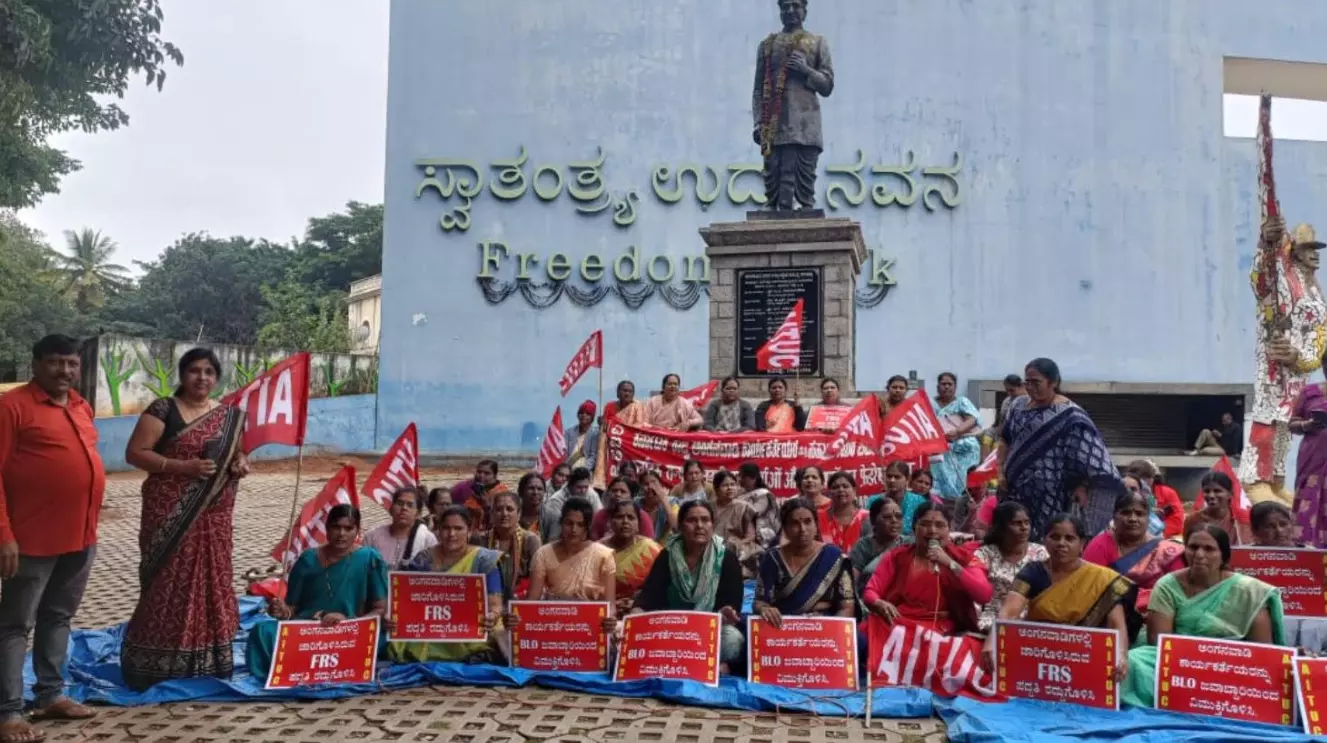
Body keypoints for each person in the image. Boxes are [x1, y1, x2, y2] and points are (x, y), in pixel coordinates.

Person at [117, 348, 250, 692]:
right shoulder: (163, 409)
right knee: (165, 583)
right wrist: (182, 467)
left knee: (212, 581)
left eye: (208, 372)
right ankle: (152, 664)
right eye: (194, 371)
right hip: (169, 515)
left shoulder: (229, 416)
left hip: (214, 519)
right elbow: (135, 453)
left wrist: (241, 463)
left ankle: (208, 660)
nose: (201, 378)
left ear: (216, 377)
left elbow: (238, 455)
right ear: (182, 375)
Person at [0, 335, 105, 736]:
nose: (64, 371)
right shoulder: (12, 408)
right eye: (55, 363)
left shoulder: (81, 406)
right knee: (13, 625)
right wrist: (4, 535)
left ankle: (50, 696)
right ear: (36, 364)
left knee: (58, 616)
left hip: (81, 537)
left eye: (71, 363)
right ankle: (8, 711)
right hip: (28, 541)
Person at [1121, 523, 1286, 708]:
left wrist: (1214, 662)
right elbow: (1158, 642)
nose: (1199, 555)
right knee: (1135, 660)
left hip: (1229, 664)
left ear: (1223, 555)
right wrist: (1194, 661)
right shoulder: (1167, 585)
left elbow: (1263, 652)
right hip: (1177, 660)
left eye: (1209, 549)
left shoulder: (1248, 592)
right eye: (1193, 547)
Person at [246, 505, 389, 679]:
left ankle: (300, 665)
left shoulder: (369, 558)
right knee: (262, 631)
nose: (341, 534)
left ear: (358, 531)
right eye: (336, 527)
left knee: (386, 638)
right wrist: (282, 611)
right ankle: (287, 672)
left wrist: (349, 622)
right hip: (309, 631)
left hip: (349, 633)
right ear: (327, 529)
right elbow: (292, 609)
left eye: (348, 528)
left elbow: (380, 609)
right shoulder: (308, 559)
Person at [1241, 215, 1326, 508]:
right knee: (1268, 417)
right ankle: (1255, 478)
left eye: (1317, 249)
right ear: (1294, 251)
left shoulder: (1314, 288)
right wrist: (1266, 243)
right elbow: (1261, 280)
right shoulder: (1284, 279)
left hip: (1298, 368)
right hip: (1275, 363)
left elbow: (1320, 330)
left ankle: (1276, 479)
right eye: (1307, 248)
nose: (1314, 254)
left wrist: (1305, 358)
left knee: (1285, 423)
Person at [982, 515, 1132, 679]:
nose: (1061, 543)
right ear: (1045, 541)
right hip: (1040, 653)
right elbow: (1009, 612)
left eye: (1069, 538)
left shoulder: (1102, 579)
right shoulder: (1033, 571)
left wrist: (1121, 655)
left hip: (1085, 655)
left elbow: (1116, 624)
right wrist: (992, 640)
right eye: (1054, 537)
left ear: (1082, 544)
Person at [999, 357, 1119, 538]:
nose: (1030, 387)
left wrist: (1083, 484)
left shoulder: (1070, 415)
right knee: (1013, 537)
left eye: (1036, 382)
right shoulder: (1017, 406)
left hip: (1052, 494)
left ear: (1053, 382)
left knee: (1049, 538)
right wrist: (1000, 471)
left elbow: (1089, 455)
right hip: (1014, 489)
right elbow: (1005, 439)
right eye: (1027, 382)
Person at [630, 501, 745, 671]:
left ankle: (701, 665)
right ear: (682, 526)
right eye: (692, 520)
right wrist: (636, 613)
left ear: (713, 525)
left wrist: (724, 613)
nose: (699, 526)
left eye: (705, 520)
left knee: (732, 639)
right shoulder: (668, 555)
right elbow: (650, 595)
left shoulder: (726, 558)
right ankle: (696, 664)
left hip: (708, 631)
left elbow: (732, 603)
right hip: (671, 630)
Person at [392, 506, 506, 663]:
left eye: (458, 528)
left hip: (471, 625)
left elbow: (496, 604)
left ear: (469, 531)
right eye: (446, 528)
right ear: (438, 530)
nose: (451, 534)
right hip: (433, 624)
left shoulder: (484, 559)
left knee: (496, 631)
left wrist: (492, 616)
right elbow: (408, 599)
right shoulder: (424, 559)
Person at [751, 0, 834, 210]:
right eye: (785, 6)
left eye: (795, 6)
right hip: (774, 126)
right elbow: (759, 90)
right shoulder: (767, 46)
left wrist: (805, 70)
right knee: (774, 193)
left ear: (804, 11)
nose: (790, 11)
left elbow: (827, 86)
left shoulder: (817, 42)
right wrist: (758, 122)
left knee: (805, 195)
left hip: (805, 126)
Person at [862, 503, 993, 635]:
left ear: (949, 529)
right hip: (898, 625)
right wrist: (878, 603)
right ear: (914, 528)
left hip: (942, 629)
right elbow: (870, 591)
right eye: (925, 524)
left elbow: (984, 595)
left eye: (940, 525)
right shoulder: (896, 556)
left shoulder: (964, 558)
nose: (932, 531)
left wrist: (950, 564)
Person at [1083, 489, 1186, 624]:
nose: (1132, 519)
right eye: (1125, 513)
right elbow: (1088, 588)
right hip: (1109, 619)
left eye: (1139, 514)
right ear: (1114, 517)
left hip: (1157, 619)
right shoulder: (1101, 545)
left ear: (1148, 519)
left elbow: (1178, 594)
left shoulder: (1166, 551)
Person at [754, 498, 855, 627]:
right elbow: (760, 602)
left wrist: (829, 628)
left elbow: (846, 607)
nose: (802, 529)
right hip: (781, 626)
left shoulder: (834, 557)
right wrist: (765, 609)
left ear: (816, 524)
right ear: (785, 527)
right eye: (795, 523)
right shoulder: (772, 558)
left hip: (825, 626)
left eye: (808, 522)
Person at [971, 502, 1049, 633]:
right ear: (1001, 528)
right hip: (991, 619)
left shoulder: (1040, 553)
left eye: (1026, 522)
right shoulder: (985, 554)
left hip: (1031, 620)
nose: (1024, 528)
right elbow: (976, 593)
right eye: (1016, 523)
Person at [528, 499, 618, 604]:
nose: (574, 529)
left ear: (587, 528)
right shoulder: (543, 554)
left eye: (580, 525)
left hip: (591, 616)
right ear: (561, 523)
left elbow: (610, 606)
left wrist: (610, 619)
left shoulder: (604, 555)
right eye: (569, 523)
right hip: (554, 615)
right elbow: (532, 601)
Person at [474, 489, 541, 600]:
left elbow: (537, 580)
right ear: (492, 514)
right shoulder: (481, 540)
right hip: (487, 599)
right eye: (499, 509)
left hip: (521, 600)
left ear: (519, 514)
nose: (504, 514)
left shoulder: (531, 541)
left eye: (509, 509)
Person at [600, 498, 661, 616]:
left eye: (631, 517)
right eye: (619, 517)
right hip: (605, 613)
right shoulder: (598, 551)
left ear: (638, 524)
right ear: (611, 522)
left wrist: (636, 602)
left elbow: (660, 588)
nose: (625, 521)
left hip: (641, 611)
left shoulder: (651, 550)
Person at [1289, 373, 1327, 547]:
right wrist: (1308, 425)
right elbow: (1292, 424)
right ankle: (1306, 552)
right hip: (1313, 457)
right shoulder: (1309, 392)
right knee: (1308, 499)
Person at [363, 486, 438, 570]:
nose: (404, 508)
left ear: (418, 514)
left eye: (410, 505)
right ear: (391, 509)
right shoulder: (372, 537)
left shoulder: (427, 540)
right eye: (399, 503)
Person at [932, 372, 981, 501]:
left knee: (965, 482)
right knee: (940, 483)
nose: (947, 387)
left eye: (950, 384)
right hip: (940, 449)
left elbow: (972, 419)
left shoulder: (962, 402)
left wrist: (957, 432)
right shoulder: (930, 404)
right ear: (937, 386)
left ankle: (966, 503)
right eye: (943, 384)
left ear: (955, 387)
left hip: (964, 450)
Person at [849, 497, 908, 594]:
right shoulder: (863, 546)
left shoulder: (909, 544)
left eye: (898, 516)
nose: (894, 521)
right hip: (868, 599)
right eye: (887, 517)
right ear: (873, 521)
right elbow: (852, 581)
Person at [1185, 471, 1252, 545]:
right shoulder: (1193, 520)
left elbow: (1249, 549)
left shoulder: (1243, 518)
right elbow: (1189, 549)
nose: (1211, 496)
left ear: (1230, 494)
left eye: (1217, 491)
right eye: (1207, 491)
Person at [711, 470, 759, 573]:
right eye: (725, 485)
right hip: (711, 549)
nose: (730, 488)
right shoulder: (708, 507)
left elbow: (750, 535)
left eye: (732, 484)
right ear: (716, 489)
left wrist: (737, 545)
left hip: (735, 550)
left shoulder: (743, 507)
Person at [1125, 460, 1184, 538]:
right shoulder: (1124, 493)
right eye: (1139, 478)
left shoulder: (1167, 493)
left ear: (1153, 478)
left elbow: (1177, 520)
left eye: (1146, 477)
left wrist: (1157, 532)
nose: (1142, 481)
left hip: (1162, 536)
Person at [541, 467, 603, 542]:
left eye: (586, 487)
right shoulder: (556, 501)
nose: (583, 491)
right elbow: (555, 533)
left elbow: (599, 518)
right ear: (570, 485)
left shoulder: (591, 493)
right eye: (579, 487)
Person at [867, 462, 927, 537]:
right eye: (889, 476)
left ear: (907, 479)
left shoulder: (918, 501)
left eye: (897, 477)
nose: (892, 480)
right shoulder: (873, 501)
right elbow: (868, 529)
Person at [450, 460, 507, 533]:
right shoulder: (467, 486)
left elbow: (499, 520)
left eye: (487, 473)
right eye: (479, 472)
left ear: (495, 475)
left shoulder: (502, 493)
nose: (481, 475)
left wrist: (486, 506)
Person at [591, 477, 655, 541]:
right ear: (608, 493)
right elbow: (595, 543)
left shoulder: (642, 516)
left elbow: (648, 543)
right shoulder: (600, 515)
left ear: (631, 496)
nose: (618, 494)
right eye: (614, 491)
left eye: (623, 491)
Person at [818, 471, 868, 553]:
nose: (841, 490)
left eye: (845, 486)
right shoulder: (819, 518)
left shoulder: (866, 517)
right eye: (835, 487)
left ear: (854, 490)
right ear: (829, 492)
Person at [737, 462, 780, 548]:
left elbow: (753, 512)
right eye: (740, 476)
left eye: (743, 476)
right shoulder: (742, 493)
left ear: (753, 478)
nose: (740, 479)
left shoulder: (763, 495)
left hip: (762, 539)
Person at [636, 470, 677, 542]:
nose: (650, 487)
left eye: (654, 482)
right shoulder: (635, 504)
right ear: (641, 488)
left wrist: (664, 501)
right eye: (646, 484)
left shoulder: (671, 502)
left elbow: (676, 528)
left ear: (661, 485)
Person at [563, 400, 600, 472]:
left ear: (592, 418)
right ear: (578, 415)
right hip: (568, 470)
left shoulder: (595, 434)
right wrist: (577, 456)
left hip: (586, 473)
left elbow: (593, 457)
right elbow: (564, 455)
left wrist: (582, 471)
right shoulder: (569, 432)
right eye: (581, 412)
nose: (584, 415)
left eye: (588, 413)